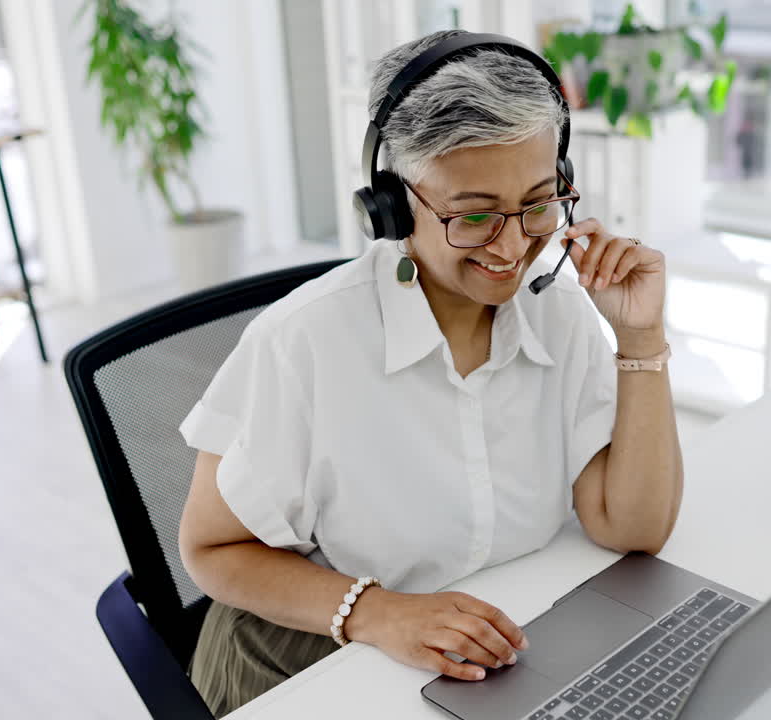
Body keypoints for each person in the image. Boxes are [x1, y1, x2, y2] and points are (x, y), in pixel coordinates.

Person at [177, 29, 683, 717]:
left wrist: (640, 337)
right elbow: (210, 550)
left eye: (538, 203)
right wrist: (380, 613)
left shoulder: (558, 311)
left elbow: (633, 528)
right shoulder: (305, 343)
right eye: (473, 216)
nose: (511, 247)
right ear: (390, 205)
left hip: (478, 658)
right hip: (299, 660)